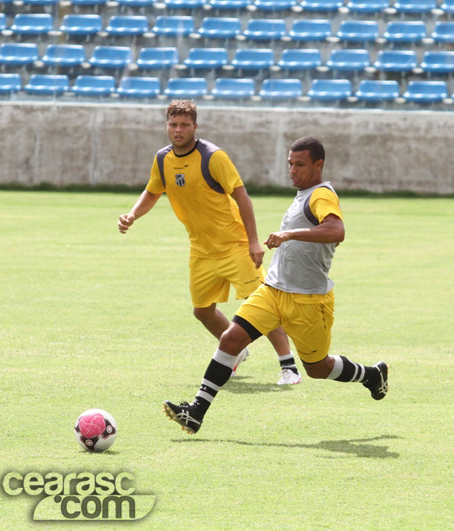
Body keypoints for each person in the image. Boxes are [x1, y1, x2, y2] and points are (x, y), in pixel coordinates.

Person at [163, 136, 388, 434]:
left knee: (317, 369)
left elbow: (337, 230)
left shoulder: (321, 195)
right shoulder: (303, 193)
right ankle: (196, 412)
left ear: (318, 165)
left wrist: (289, 234)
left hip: (308, 302)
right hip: (272, 291)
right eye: (290, 164)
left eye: (300, 164)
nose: (292, 170)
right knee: (231, 339)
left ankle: (372, 376)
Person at [118, 100, 302, 386]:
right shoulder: (162, 159)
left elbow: (242, 197)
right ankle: (236, 349)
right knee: (202, 311)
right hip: (201, 250)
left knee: (263, 306)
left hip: (235, 246)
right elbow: (153, 191)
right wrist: (132, 215)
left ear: (195, 127)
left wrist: (253, 242)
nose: (178, 130)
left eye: (185, 125)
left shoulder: (213, 157)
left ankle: (288, 366)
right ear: (167, 126)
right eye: (173, 124)